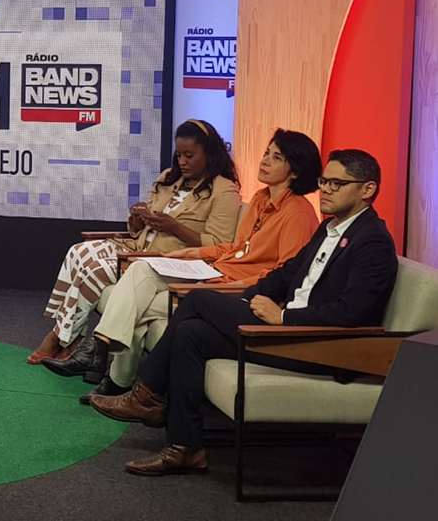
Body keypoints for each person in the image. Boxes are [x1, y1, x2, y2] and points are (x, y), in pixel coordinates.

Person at [89, 149, 398, 476]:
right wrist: (246, 300)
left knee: (198, 300)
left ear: (367, 189)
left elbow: (352, 312)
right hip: (284, 331)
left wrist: (283, 318)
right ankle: (185, 447)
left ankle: (146, 394)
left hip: (314, 344)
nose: (327, 190)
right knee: (190, 334)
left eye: (338, 184)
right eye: (324, 182)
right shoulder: (329, 229)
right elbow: (286, 274)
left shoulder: (373, 242)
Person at [47, 130, 322, 399]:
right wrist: (191, 254)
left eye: (276, 157)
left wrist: (238, 283)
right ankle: (104, 358)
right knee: (142, 269)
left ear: (295, 171)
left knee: (136, 305)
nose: (264, 161)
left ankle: (110, 371)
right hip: (216, 270)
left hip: (233, 288)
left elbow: (285, 276)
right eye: (266, 153)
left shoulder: (298, 214)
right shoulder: (262, 198)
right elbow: (236, 248)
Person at [29, 119, 241, 368]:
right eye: (179, 155)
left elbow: (219, 245)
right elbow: (140, 228)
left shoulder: (224, 191)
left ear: (209, 153)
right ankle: (70, 339)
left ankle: (60, 338)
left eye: (189, 155)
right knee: (78, 252)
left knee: (95, 269)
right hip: (136, 247)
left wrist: (174, 227)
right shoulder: (168, 178)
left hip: (169, 260)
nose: (182, 162)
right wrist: (138, 219)